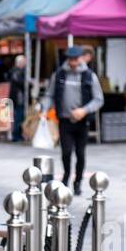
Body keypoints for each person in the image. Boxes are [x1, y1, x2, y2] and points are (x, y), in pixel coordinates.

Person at [46, 45, 103, 195]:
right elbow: (50, 95)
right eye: (70, 59)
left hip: (82, 122)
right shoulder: (58, 75)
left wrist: (84, 110)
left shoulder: (90, 76)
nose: (72, 62)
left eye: (75, 59)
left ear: (81, 58)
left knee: (80, 153)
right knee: (65, 152)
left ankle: (78, 182)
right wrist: (43, 108)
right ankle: (65, 178)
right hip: (64, 121)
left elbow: (98, 99)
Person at [8, 54, 27, 142]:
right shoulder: (16, 72)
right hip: (18, 98)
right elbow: (21, 83)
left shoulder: (17, 71)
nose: (25, 63)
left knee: (20, 116)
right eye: (24, 62)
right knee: (18, 117)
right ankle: (16, 135)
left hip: (18, 97)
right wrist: (28, 83)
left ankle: (18, 134)